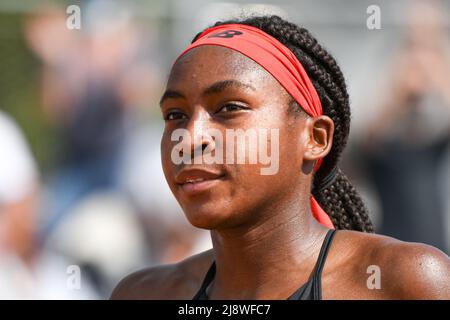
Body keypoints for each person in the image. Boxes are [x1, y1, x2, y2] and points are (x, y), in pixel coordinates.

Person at [111, 15, 450, 300]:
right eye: (174, 115)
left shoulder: (404, 282)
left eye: (229, 108)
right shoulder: (145, 293)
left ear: (315, 138)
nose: (191, 138)